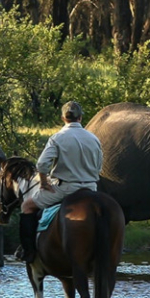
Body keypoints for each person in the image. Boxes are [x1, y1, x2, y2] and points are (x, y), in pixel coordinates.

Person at [18, 101, 103, 263]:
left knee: (27, 206)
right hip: (91, 189)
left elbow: (42, 165)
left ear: (63, 118)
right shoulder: (94, 138)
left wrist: (43, 182)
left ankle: (29, 253)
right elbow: (99, 167)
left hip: (66, 189)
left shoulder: (58, 138)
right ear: (80, 117)